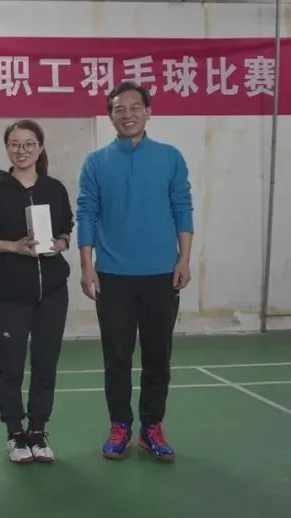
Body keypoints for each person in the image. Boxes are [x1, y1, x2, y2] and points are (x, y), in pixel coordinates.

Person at [76, 81, 194, 462]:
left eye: (134, 107)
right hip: (113, 276)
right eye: (119, 109)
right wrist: (87, 266)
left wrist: (184, 259)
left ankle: (152, 427)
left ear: (148, 111)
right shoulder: (96, 163)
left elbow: (182, 207)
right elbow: (87, 213)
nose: (127, 115)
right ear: (110, 116)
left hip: (162, 274)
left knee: (158, 355)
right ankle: (120, 425)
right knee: (117, 356)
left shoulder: (170, 158)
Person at [0, 119, 73, 464]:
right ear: (7, 149)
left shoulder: (55, 189)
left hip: (53, 292)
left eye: (29, 144)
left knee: (46, 363)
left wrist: (61, 242)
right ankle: (15, 433)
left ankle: (38, 430)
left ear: (40, 148)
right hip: (12, 293)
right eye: (15, 144)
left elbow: (66, 229)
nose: (22, 150)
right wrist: (13, 247)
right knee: (11, 364)